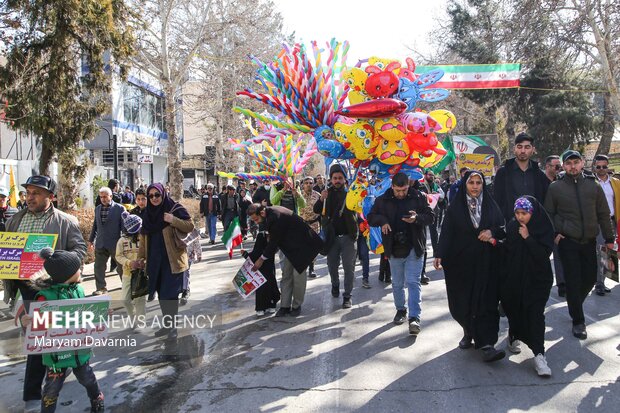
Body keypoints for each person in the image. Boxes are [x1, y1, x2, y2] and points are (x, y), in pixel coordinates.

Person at [5, 175, 87, 411]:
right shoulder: (15, 220)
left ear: (50, 197)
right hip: (25, 289)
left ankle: (55, 377)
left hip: (53, 289)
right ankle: (33, 394)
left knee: (50, 339)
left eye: (36, 193)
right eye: (28, 192)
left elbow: (79, 249)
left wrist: (61, 265)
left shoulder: (65, 221)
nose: (30, 197)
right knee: (36, 340)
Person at [434, 171, 506, 362]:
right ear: (465, 184)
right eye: (471, 182)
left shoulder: (491, 205)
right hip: (461, 262)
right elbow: (447, 231)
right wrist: (440, 253)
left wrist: (491, 232)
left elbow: (502, 228)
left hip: (487, 262)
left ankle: (487, 344)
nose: (475, 186)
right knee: (462, 300)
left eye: (478, 183)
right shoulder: (455, 207)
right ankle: (468, 331)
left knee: (486, 301)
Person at [20, 248, 104, 412]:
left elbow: (85, 314)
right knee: (51, 389)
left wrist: (100, 313)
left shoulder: (79, 290)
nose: (80, 270)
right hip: (55, 356)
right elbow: (37, 323)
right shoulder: (45, 297)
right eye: (77, 268)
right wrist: (27, 321)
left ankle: (97, 399)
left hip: (79, 352)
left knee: (88, 379)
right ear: (66, 274)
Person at [544, 150, 614, 339]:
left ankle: (574, 304)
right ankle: (578, 321)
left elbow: (603, 214)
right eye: (569, 163)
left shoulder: (594, 186)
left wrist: (609, 238)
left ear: (582, 163)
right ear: (564, 166)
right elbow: (548, 214)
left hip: (589, 241)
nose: (572, 166)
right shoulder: (556, 187)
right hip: (568, 241)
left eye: (576, 162)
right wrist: (556, 233)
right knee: (573, 281)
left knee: (591, 278)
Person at [368, 172, 433, 335]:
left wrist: (417, 218)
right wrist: (382, 221)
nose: (401, 194)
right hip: (393, 248)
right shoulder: (383, 199)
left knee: (412, 282)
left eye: (404, 190)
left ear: (408, 185)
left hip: (414, 246)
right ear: (392, 187)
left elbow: (431, 217)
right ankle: (401, 310)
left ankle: (414, 318)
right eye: (398, 190)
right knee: (397, 284)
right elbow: (370, 217)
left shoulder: (418, 196)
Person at [500, 197, 554, 377]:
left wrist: (528, 238)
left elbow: (543, 255)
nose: (520, 217)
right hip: (515, 279)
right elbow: (506, 251)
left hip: (538, 280)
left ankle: (539, 355)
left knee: (535, 315)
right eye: (517, 213)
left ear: (533, 212)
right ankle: (514, 335)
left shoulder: (543, 228)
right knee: (516, 309)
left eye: (525, 213)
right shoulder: (512, 226)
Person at [138, 183, 194, 340]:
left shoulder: (174, 208)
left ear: (163, 194)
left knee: (170, 295)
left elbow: (190, 226)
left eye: (157, 195)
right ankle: (167, 324)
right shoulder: (148, 214)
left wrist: (173, 220)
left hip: (173, 260)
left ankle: (172, 328)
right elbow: (143, 238)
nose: (154, 198)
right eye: (151, 196)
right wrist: (140, 259)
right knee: (162, 295)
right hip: (155, 262)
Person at [247, 203, 323, 317]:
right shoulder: (268, 215)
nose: (256, 222)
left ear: (262, 213)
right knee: (286, 275)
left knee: (298, 277)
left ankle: (297, 305)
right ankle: (285, 306)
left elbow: (273, 243)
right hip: (289, 247)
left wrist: (261, 259)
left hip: (304, 245)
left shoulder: (275, 216)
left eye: (256, 219)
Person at [313, 164, 358, 309]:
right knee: (332, 266)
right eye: (335, 178)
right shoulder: (326, 194)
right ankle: (335, 284)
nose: (337, 180)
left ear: (345, 179)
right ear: (331, 179)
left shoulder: (351, 193)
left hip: (348, 237)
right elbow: (316, 210)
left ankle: (347, 296)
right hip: (331, 238)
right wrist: (321, 199)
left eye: (340, 178)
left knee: (348, 267)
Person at [493, 132, 549, 222]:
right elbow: (497, 201)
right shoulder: (503, 173)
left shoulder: (539, 175)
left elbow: (544, 202)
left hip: (534, 224)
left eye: (527, 147)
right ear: (514, 149)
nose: (523, 151)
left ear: (533, 149)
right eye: (519, 147)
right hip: (510, 224)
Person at [88, 187, 125, 295]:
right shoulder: (98, 208)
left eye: (105, 197)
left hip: (115, 244)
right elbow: (95, 225)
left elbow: (124, 228)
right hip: (100, 243)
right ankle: (101, 288)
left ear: (111, 196)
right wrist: (91, 240)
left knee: (121, 267)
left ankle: (126, 285)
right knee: (98, 267)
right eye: (101, 197)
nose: (103, 199)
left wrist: (125, 241)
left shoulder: (120, 209)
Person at [592, 154, 619, 296]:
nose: (601, 169)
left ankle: (604, 280)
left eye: (604, 166)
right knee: (601, 252)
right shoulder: (590, 182)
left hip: (613, 221)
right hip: (598, 222)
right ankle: (599, 284)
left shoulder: (615, 183)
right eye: (598, 167)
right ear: (594, 167)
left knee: (609, 252)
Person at [241, 221, 280, 316]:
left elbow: (255, 254)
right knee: (270, 283)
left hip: (261, 269)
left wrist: (245, 254)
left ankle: (262, 307)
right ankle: (271, 305)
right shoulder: (274, 236)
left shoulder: (262, 236)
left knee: (262, 286)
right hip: (268, 267)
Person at [115, 211, 146, 323]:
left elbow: (151, 253)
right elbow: (118, 256)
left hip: (142, 274)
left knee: (140, 300)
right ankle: (132, 317)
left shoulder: (145, 239)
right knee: (125, 300)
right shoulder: (122, 241)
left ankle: (140, 322)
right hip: (128, 274)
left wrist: (144, 263)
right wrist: (129, 262)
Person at [543, 155, 566, 297]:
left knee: (559, 254)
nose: (559, 169)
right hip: (541, 224)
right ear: (548, 166)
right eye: (556, 166)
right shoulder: (539, 181)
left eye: (560, 166)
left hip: (557, 224)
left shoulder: (562, 182)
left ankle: (562, 283)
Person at [298, 177, 321, 278]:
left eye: (311, 183)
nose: (308, 185)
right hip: (301, 224)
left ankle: (311, 268)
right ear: (302, 184)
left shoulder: (318, 196)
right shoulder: (298, 195)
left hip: (314, 224)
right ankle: (302, 266)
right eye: (306, 183)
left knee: (313, 247)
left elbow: (322, 211)